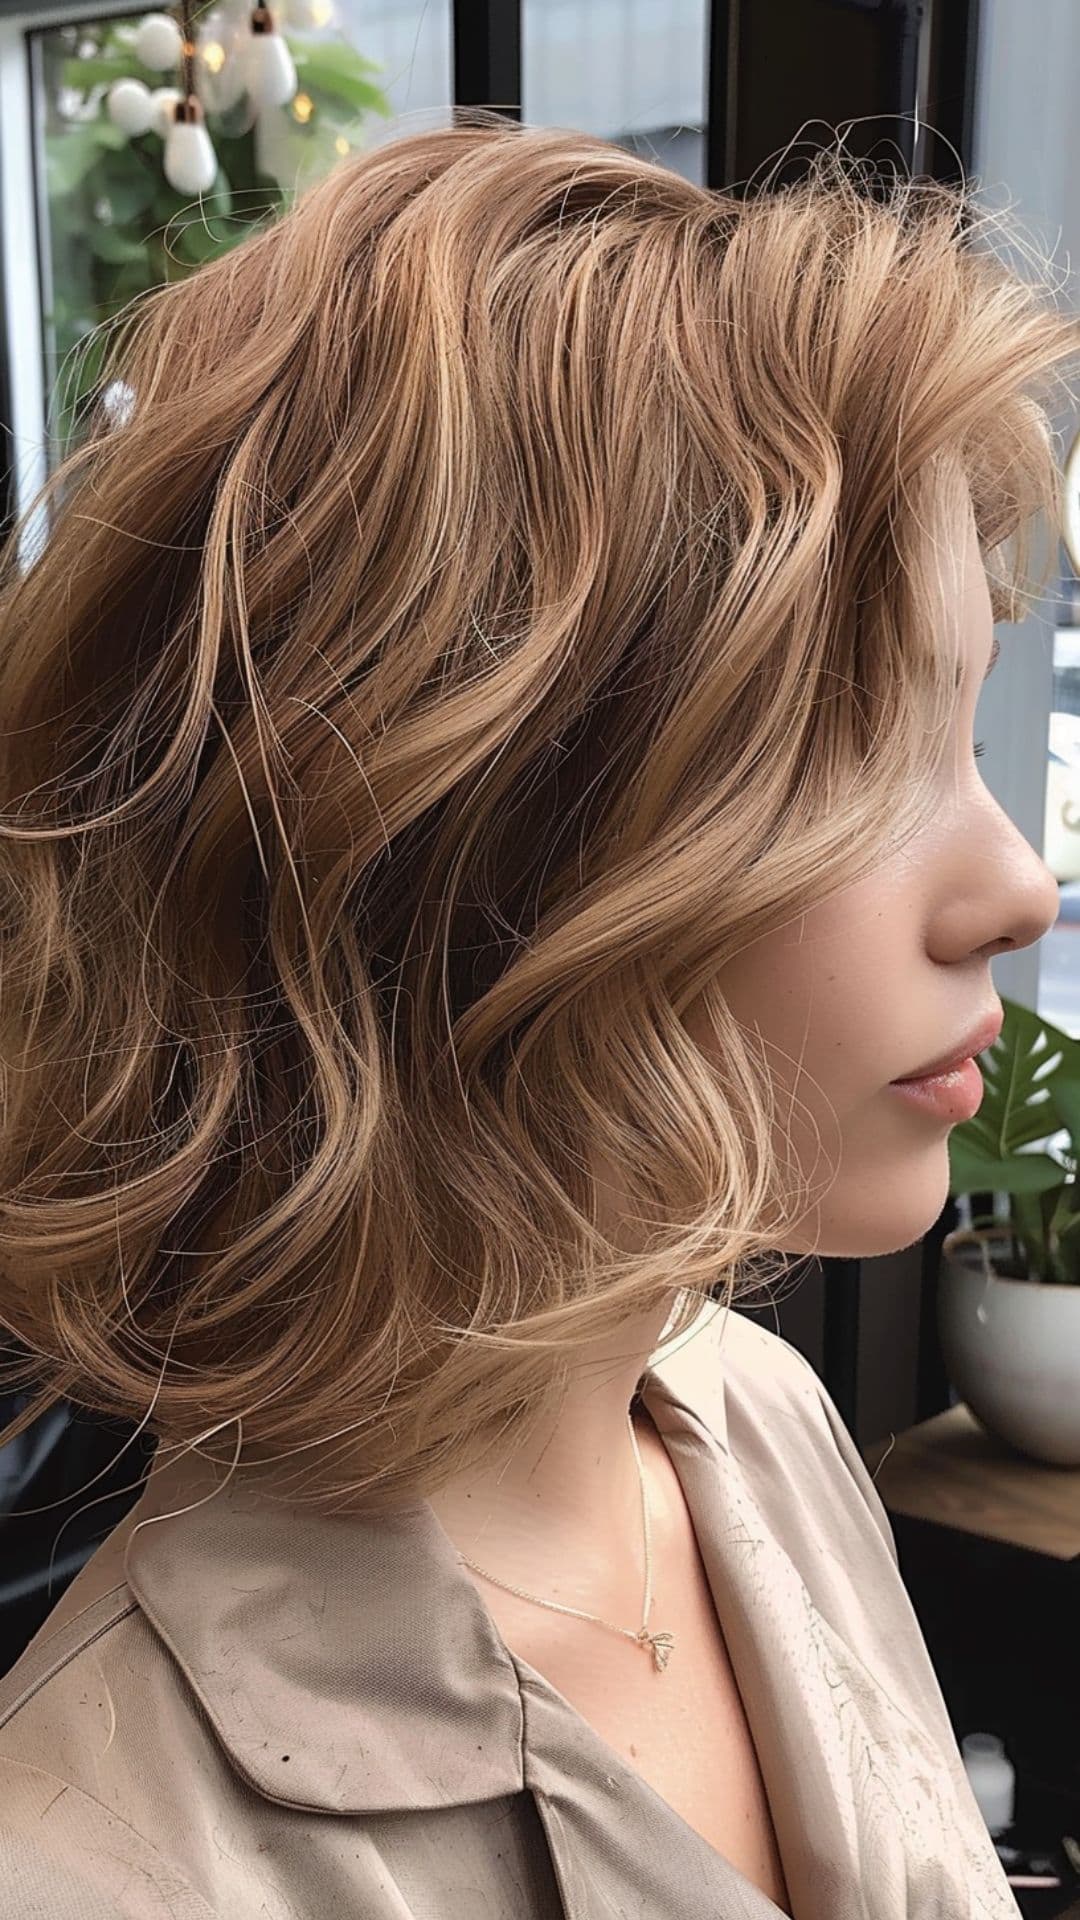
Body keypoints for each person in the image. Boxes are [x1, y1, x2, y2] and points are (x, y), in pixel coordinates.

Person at [0, 112, 1075, 1920]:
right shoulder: (90, 1859)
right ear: (455, 855)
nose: (1020, 892)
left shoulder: (758, 1420)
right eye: (848, 760)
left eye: (957, 733)